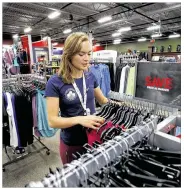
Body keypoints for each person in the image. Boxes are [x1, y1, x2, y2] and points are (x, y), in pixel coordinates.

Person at [45, 32, 109, 164]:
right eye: (81, 54)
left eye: (89, 53)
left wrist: (124, 106)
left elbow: (103, 100)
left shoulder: (90, 76)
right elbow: (52, 121)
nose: (87, 58)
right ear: (69, 54)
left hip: (94, 138)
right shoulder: (55, 82)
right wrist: (80, 119)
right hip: (72, 144)